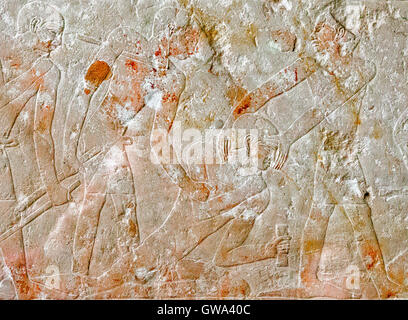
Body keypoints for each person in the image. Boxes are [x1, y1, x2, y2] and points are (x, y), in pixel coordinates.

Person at [269, 9, 401, 298]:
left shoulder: (362, 68)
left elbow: (326, 107)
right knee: (342, 216)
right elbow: (278, 85)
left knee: (329, 215)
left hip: (340, 154)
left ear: (338, 34)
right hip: (334, 155)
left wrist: (288, 137)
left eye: (321, 30)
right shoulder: (318, 66)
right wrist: (247, 105)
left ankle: (311, 275)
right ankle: (371, 281)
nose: (316, 36)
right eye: (314, 32)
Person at [0, 1, 69, 299]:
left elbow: (42, 133)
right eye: (52, 34)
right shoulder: (39, 67)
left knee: (10, 219)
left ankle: (23, 287)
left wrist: (53, 185)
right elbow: (35, 132)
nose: (58, 43)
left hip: (10, 162)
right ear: (32, 29)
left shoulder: (47, 70)